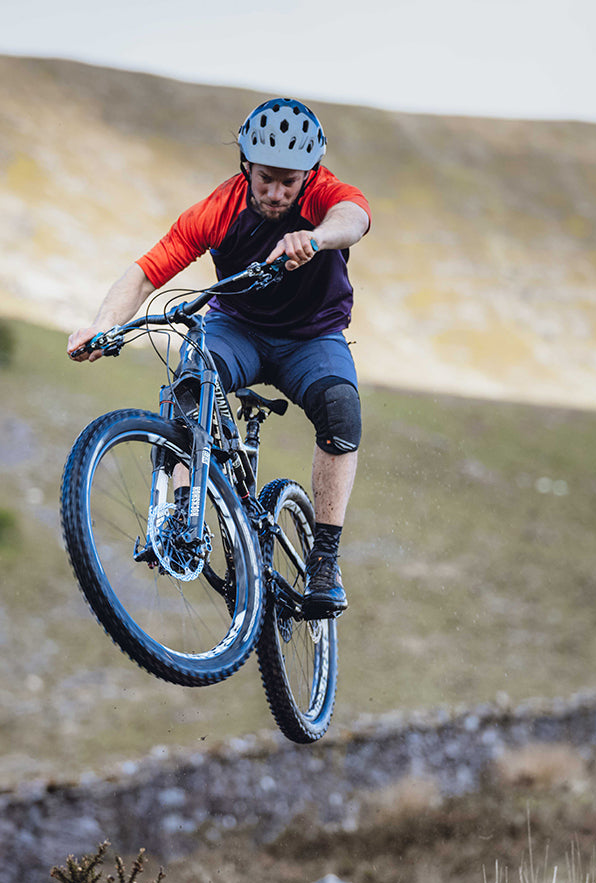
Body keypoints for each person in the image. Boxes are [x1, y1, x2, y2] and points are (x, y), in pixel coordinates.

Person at [66, 97, 370, 619]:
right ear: (246, 166)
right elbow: (145, 272)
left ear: (310, 175)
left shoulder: (325, 196)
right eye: (266, 178)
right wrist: (104, 325)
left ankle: (324, 560)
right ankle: (183, 519)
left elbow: (355, 218)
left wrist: (315, 238)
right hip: (238, 330)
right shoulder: (219, 209)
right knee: (191, 380)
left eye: (289, 182)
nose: (276, 192)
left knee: (341, 410)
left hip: (313, 339)